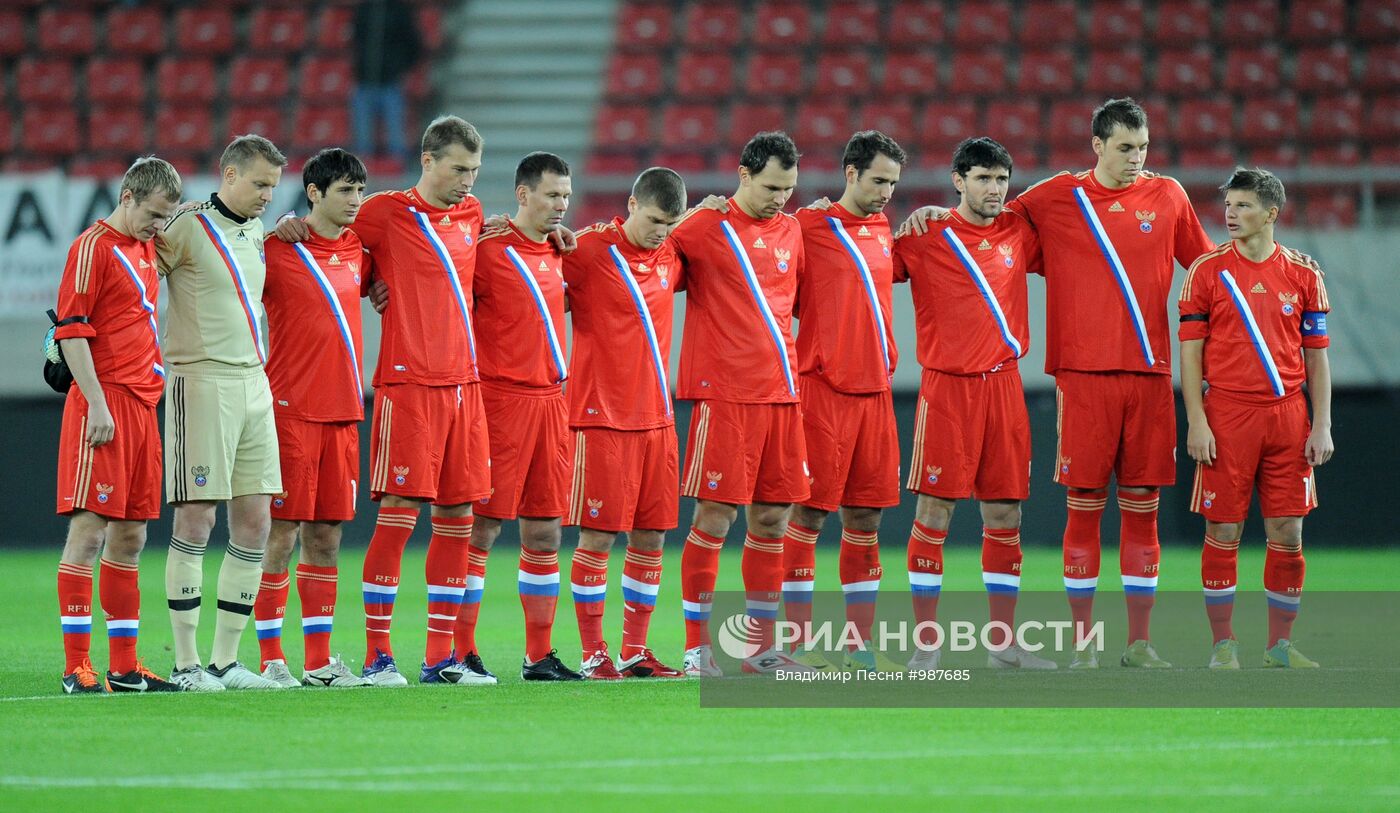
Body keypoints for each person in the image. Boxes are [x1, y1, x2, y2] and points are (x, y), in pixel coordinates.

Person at [904, 98, 1215, 668]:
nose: (1136, 158)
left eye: (1143, 147)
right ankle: (1071, 646)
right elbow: (963, 226)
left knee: (1130, 504)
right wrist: (921, 212)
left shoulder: (1167, 196)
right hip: (1065, 376)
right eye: (1125, 147)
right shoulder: (1050, 198)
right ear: (1097, 145)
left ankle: (1130, 643)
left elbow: (1211, 271)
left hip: (1146, 373)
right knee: (1075, 504)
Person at [893, 137, 1055, 672]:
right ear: (958, 180)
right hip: (947, 389)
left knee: (1005, 511)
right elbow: (867, 260)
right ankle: (926, 643)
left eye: (1002, 179)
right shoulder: (924, 234)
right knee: (934, 511)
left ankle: (1004, 643)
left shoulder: (1018, 231)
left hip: (1005, 386)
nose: (994, 189)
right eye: (983, 178)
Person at [670, 131, 814, 676]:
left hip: (782, 394)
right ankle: (696, 647)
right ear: (744, 174)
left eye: (790, 188)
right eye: (772, 186)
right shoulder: (704, 228)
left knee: (774, 519)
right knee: (715, 516)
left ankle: (759, 650)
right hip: (725, 396)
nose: (781, 197)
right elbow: (646, 256)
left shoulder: (794, 229)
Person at [1178, 167, 1332, 669]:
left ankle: (1279, 646)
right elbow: (1191, 355)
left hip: (1288, 415)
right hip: (1227, 413)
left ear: (1271, 213)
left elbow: (1317, 358)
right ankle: (1223, 644)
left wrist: (1323, 424)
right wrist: (1197, 420)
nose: (1230, 214)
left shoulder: (1305, 275)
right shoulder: (1206, 271)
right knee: (1223, 530)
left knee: (1288, 531)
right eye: (1228, 205)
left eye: (1243, 206)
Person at [158, 135, 288, 691]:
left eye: (273, 188)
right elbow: (134, 271)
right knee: (196, 519)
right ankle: (185, 664)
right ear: (228, 174)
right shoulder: (184, 225)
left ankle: (225, 662)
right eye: (259, 184)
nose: (266, 196)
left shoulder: (258, 229)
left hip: (254, 382)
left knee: (257, 521)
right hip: (202, 379)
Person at [53, 157, 183, 693]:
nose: (158, 226)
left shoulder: (147, 245)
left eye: (165, 218)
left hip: (144, 406)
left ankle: (125, 666)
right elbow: (71, 330)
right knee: (89, 532)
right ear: (128, 195)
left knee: (130, 535)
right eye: (153, 214)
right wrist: (99, 403)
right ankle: (76, 665)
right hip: (101, 407)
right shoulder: (91, 248)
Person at [780, 131, 906, 673]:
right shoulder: (806, 226)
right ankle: (797, 642)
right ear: (850, 173)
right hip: (822, 390)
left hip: (875, 393)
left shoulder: (885, 229)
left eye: (893, 184)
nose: (885, 193)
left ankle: (859, 645)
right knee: (807, 517)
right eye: (878, 180)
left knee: (866, 520)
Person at [560, 167, 691, 680]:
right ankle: (595, 653)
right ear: (632, 204)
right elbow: (530, 269)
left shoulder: (671, 254)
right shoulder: (588, 250)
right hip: (601, 418)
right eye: (656, 220)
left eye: (671, 223)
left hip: (658, 420)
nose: (662, 231)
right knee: (597, 537)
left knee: (651, 537)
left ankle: (635, 650)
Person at [252, 148, 374, 688]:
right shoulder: (274, 248)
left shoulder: (359, 249)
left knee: (326, 538)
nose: (355, 201)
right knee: (279, 535)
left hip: (344, 412)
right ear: (315, 194)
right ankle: (271, 658)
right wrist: (277, 225)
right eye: (344, 190)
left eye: (360, 191)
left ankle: (320, 662)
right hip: (290, 412)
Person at [460, 152, 580, 682]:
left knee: (546, 531)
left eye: (567, 196)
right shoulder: (484, 249)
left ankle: (538, 655)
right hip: (500, 402)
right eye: (552, 195)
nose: (561, 206)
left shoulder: (559, 251)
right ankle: (458, 649)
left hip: (553, 402)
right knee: (481, 529)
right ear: (523, 194)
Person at [352, 0, 421, 169]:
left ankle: (398, 177)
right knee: (362, 143)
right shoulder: (365, 9)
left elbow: (414, 43)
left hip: (390, 83)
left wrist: (398, 67)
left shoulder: (399, 10)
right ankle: (362, 179)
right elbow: (356, 40)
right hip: (364, 82)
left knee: (396, 141)